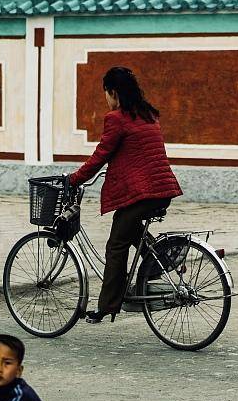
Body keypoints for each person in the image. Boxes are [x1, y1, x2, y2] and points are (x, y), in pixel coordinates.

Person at [69, 66, 182, 323]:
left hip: (144, 192)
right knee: (129, 227)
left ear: (114, 92)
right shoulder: (147, 114)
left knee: (116, 244)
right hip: (162, 190)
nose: (107, 100)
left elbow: (101, 155)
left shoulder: (117, 118)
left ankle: (107, 306)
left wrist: (74, 179)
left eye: (107, 94)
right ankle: (159, 260)